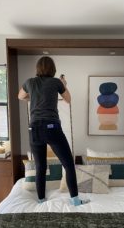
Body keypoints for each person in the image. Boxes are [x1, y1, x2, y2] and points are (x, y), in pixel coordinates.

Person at [18, 56, 89, 206]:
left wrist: (34, 97)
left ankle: (41, 199)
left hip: (34, 129)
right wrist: (64, 84)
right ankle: (75, 200)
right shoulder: (56, 82)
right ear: (53, 69)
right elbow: (68, 99)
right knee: (69, 164)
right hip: (52, 128)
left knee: (40, 167)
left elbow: (20, 96)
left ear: (37, 68)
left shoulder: (30, 82)